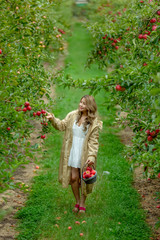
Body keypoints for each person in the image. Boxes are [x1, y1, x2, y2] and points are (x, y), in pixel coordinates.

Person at [46, 95, 102, 214]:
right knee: (73, 178)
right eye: (81, 102)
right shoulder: (73, 115)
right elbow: (62, 125)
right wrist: (52, 119)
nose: (81, 105)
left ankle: (82, 202)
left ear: (90, 106)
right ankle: (77, 200)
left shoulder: (93, 122)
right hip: (72, 151)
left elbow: (93, 142)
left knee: (84, 179)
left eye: (84, 104)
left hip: (84, 153)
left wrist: (91, 157)